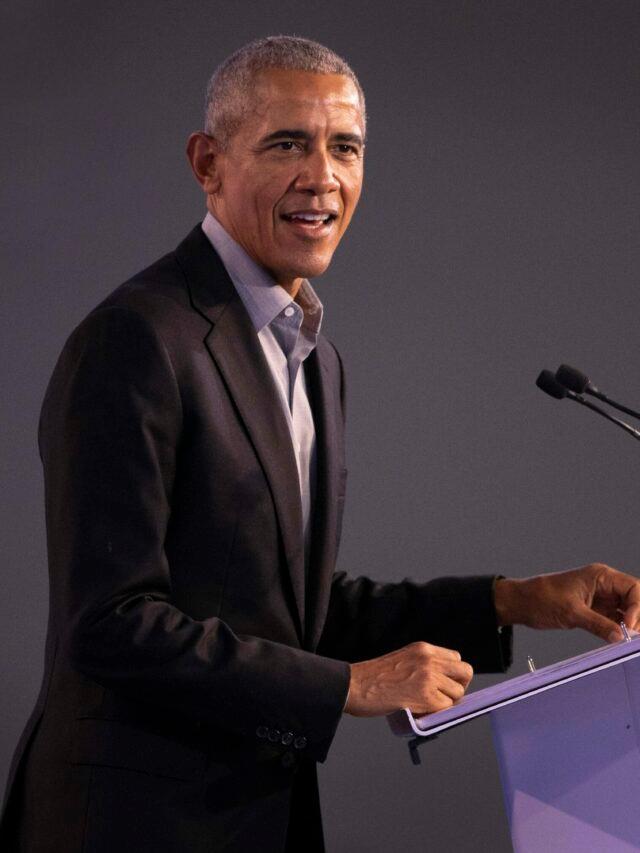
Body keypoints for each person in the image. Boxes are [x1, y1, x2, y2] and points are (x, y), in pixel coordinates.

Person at [1, 35, 639, 853]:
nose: (323, 177)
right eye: (287, 144)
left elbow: (288, 610)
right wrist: (352, 685)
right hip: (132, 824)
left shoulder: (312, 356)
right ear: (208, 162)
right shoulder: (136, 338)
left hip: (255, 817)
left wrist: (514, 601)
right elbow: (111, 622)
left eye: (345, 147)